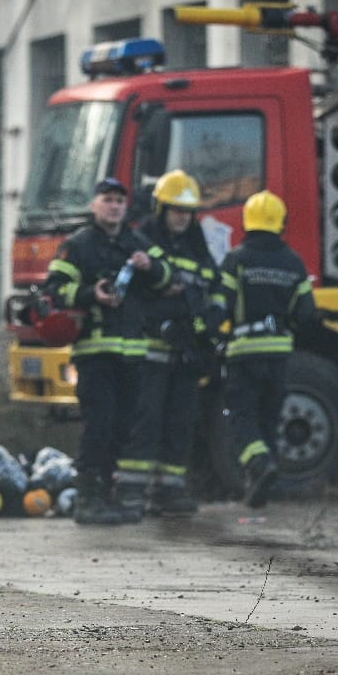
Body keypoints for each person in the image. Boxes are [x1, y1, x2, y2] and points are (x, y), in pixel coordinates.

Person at [42, 177, 168, 524]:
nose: (114, 206)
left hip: (132, 354)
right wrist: (89, 294)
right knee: (99, 425)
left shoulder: (137, 243)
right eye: (107, 200)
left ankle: (107, 496)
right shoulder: (78, 245)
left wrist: (151, 267)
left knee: (123, 427)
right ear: (94, 205)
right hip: (95, 353)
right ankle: (88, 498)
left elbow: (168, 278)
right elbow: (53, 289)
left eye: (119, 201)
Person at [116, 170, 217, 520]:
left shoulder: (196, 244)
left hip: (185, 351)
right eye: (176, 210)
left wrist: (203, 327)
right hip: (151, 349)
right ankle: (130, 489)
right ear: (161, 208)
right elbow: (138, 293)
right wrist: (165, 315)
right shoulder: (141, 240)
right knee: (145, 420)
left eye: (188, 212)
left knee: (181, 422)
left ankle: (170, 489)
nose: (182, 217)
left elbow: (208, 285)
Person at [208, 189, 316, 509]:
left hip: (244, 351)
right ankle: (261, 487)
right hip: (279, 353)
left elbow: (219, 305)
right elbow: (306, 313)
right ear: (280, 222)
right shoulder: (294, 262)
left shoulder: (237, 259)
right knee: (269, 417)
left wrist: (209, 332)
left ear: (246, 221)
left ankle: (258, 466)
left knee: (242, 415)